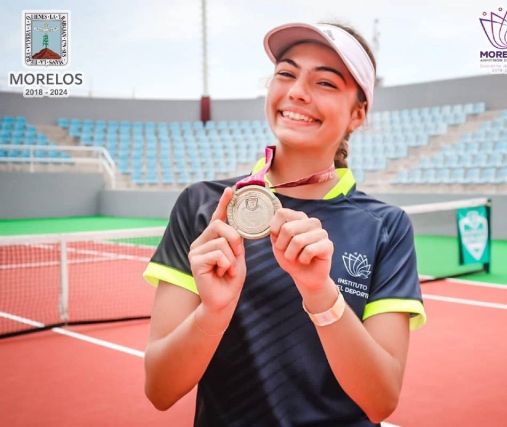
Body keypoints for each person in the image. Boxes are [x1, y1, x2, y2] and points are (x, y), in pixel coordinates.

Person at [143, 22, 426, 427]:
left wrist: (321, 296)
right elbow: (160, 389)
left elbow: (380, 401)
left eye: (326, 83)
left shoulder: (386, 227)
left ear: (358, 113)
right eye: (286, 73)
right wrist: (214, 314)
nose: (297, 91)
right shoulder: (204, 206)